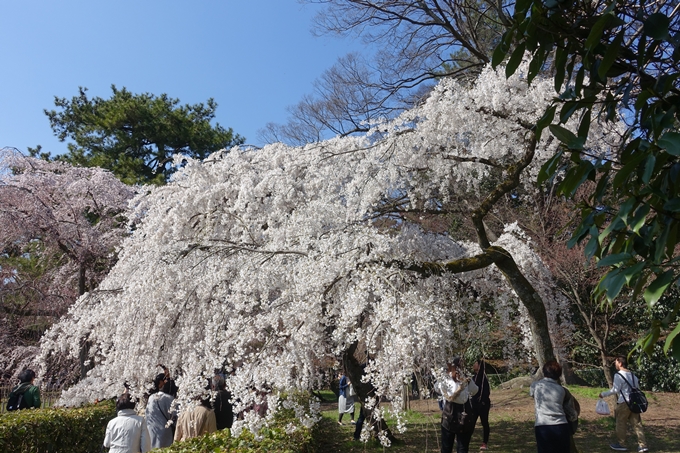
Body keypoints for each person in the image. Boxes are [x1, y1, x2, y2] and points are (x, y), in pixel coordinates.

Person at [599, 356, 649, 452]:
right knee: (637, 424)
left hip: (624, 403)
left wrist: (603, 394)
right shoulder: (633, 376)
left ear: (620, 363)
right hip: (634, 403)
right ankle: (643, 445)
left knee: (621, 423)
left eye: (616, 362)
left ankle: (622, 444)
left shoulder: (618, 375)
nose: (615, 364)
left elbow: (615, 390)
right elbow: (637, 389)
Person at [529, 360, 577, 453]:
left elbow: (531, 394)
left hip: (543, 426)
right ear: (558, 374)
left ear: (544, 372)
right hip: (561, 426)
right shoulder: (561, 390)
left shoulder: (535, 385)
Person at [438, 357, 479, 453]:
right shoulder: (467, 379)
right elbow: (475, 390)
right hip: (465, 417)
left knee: (446, 448)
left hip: (449, 416)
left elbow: (437, 388)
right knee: (462, 448)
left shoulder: (444, 379)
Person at [145, 371, 176, 448]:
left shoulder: (151, 397)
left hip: (152, 432)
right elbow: (176, 417)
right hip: (165, 433)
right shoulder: (169, 399)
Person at [472, 359, 491, 451]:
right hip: (474, 404)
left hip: (483, 404)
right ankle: (465, 438)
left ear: (479, 366)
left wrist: (482, 401)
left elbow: (486, 392)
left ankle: (485, 442)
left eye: (475, 364)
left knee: (484, 422)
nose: (473, 365)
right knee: (471, 422)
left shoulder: (483, 378)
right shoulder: (473, 377)